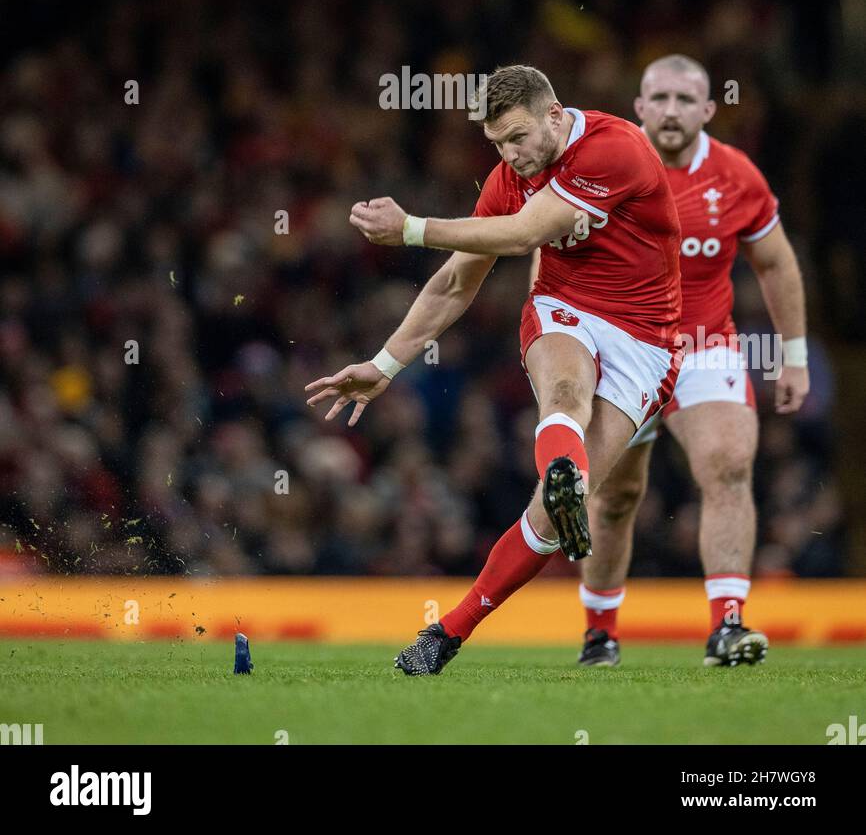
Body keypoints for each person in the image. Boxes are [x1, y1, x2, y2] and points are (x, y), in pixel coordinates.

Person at [305, 63, 682, 675]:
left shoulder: (616, 149)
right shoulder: (512, 176)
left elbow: (521, 233)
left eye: (517, 137)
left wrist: (410, 228)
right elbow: (457, 281)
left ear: (555, 117)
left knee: (549, 522)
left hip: (648, 340)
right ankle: (563, 475)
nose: (509, 155)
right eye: (498, 144)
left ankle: (457, 622)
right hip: (568, 308)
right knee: (564, 388)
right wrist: (385, 363)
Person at [576, 54, 809, 669]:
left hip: (706, 346)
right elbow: (551, 256)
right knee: (615, 495)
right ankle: (599, 634)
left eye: (686, 100)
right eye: (661, 98)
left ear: (708, 110)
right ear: (641, 107)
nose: (672, 111)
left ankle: (727, 628)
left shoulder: (737, 177)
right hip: (622, 352)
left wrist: (794, 356)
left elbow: (776, 263)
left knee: (728, 465)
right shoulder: (603, 168)